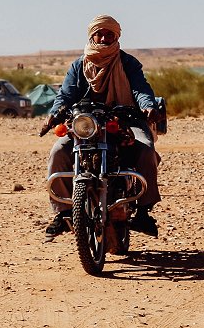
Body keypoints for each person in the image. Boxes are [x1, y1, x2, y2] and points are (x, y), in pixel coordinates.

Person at [41, 15, 161, 239]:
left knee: (145, 149)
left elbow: (140, 88)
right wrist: (54, 115)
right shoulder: (79, 65)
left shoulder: (128, 63)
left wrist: (147, 106)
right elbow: (66, 95)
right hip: (86, 122)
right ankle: (63, 213)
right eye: (100, 34)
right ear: (92, 36)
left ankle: (144, 212)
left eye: (109, 34)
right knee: (58, 151)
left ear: (116, 36)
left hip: (125, 119)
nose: (104, 38)